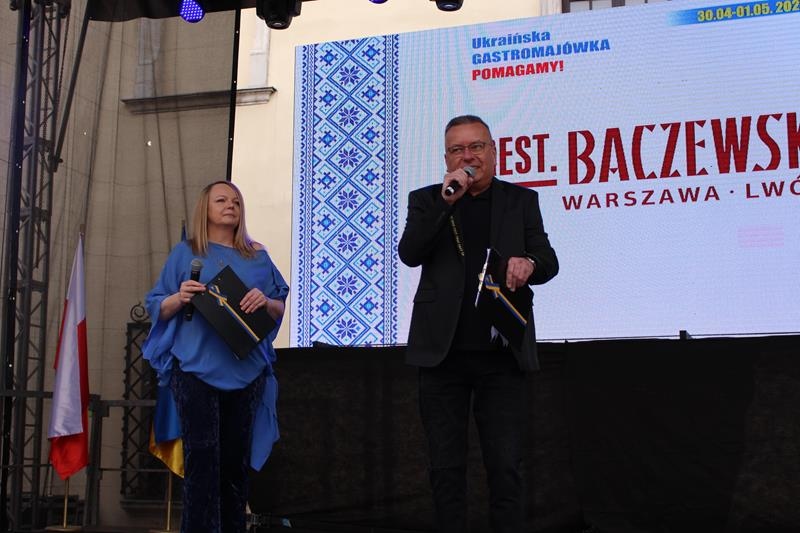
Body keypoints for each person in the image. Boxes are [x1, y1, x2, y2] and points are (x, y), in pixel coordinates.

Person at [398, 115, 559, 533]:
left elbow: (548, 260)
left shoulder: (520, 201)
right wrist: (446, 202)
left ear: (494, 151)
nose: (467, 156)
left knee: (505, 465)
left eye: (476, 147)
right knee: (445, 467)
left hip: (500, 354)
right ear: (446, 158)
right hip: (441, 355)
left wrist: (529, 263)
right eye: (457, 150)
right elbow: (410, 253)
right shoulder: (428, 200)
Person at [143, 180, 289, 533]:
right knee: (202, 461)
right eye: (221, 200)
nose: (230, 205)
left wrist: (266, 302)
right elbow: (157, 305)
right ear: (205, 209)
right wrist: (180, 297)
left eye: (236, 201)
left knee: (235, 467)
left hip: (246, 372)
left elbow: (278, 306)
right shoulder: (185, 253)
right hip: (195, 370)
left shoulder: (258, 256)